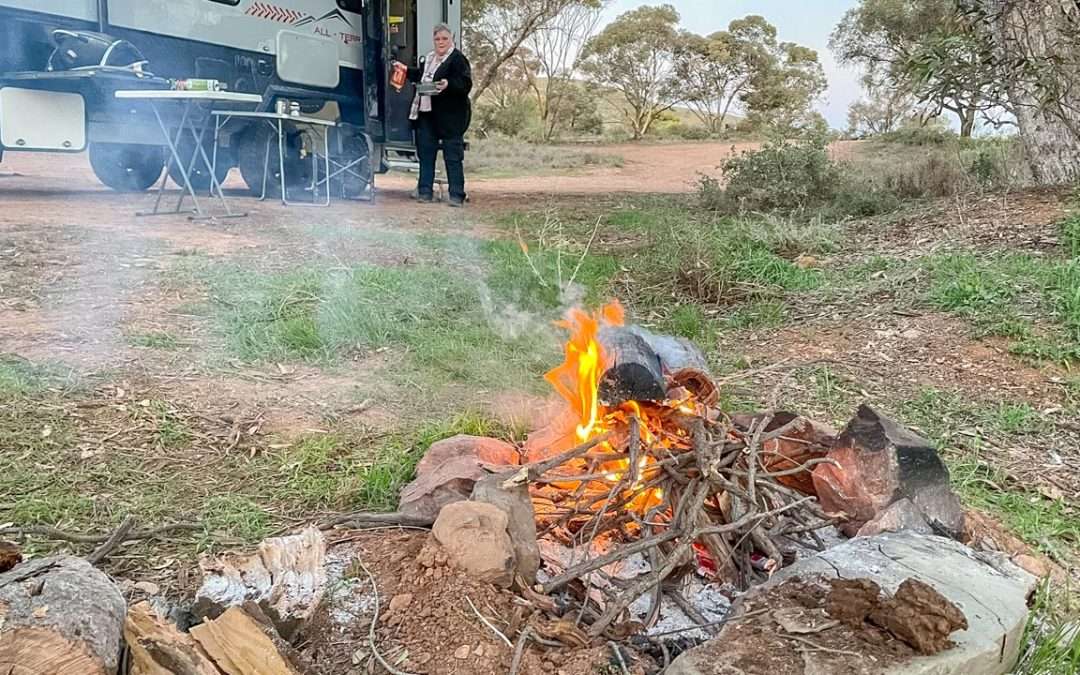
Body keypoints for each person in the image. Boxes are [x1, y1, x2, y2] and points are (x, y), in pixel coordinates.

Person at [393, 24, 472, 206]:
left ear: (451, 39)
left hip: (451, 116)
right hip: (426, 113)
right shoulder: (429, 59)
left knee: (452, 156)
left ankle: (456, 195)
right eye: (437, 39)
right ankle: (425, 192)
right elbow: (420, 77)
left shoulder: (458, 59)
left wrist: (448, 84)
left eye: (444, 39)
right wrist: (404, 70)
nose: (441, 42)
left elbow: (466, 84)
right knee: (426, 154)